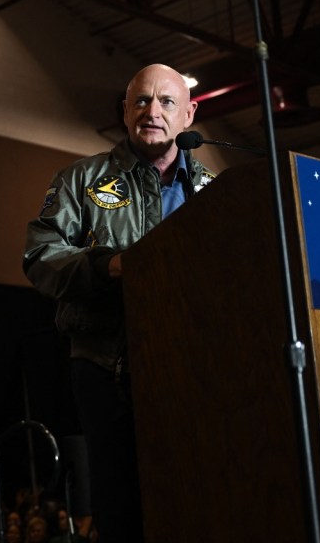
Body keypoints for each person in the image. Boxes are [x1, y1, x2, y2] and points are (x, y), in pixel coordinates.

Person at [23, 63, 216, 543]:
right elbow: (42, 256)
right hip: (107, 366)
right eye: (142, 101)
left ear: (189, 114)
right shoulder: (80, 180)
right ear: (125, 110)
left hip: (200, 368)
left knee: (199, 494)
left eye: (167, 102)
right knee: (122, 503)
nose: (154, 111)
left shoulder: (217, 192)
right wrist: (108, 267)